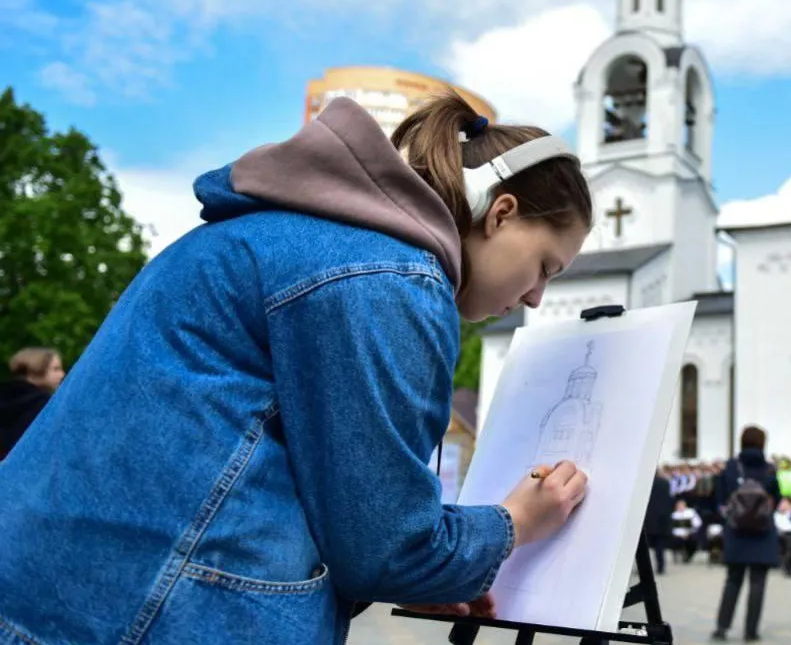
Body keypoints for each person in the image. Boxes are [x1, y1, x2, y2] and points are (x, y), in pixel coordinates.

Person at [0, 93, 594, 643]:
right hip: (149, 613)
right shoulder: (393, 281)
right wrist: (515, 523)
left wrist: (426, 573)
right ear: (502, 213)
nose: (538, 296)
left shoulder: (299, 236)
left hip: (66, 597)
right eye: (546, 265)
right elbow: (388, 549)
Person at [712, 426, 781, 642]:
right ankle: (751, 631)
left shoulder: (731, 468)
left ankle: (722, 627)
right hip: (762, 532)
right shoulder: (769, 470)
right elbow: (776, 500)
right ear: (762, 443)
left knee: (733, 580)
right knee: (757, 582)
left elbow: (720, 500)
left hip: (737, 531)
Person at [0, 347, 64, 460]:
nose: (62, 374)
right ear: (36, 369)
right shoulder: (43, 405)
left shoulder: (5, 398)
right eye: (55, 369)